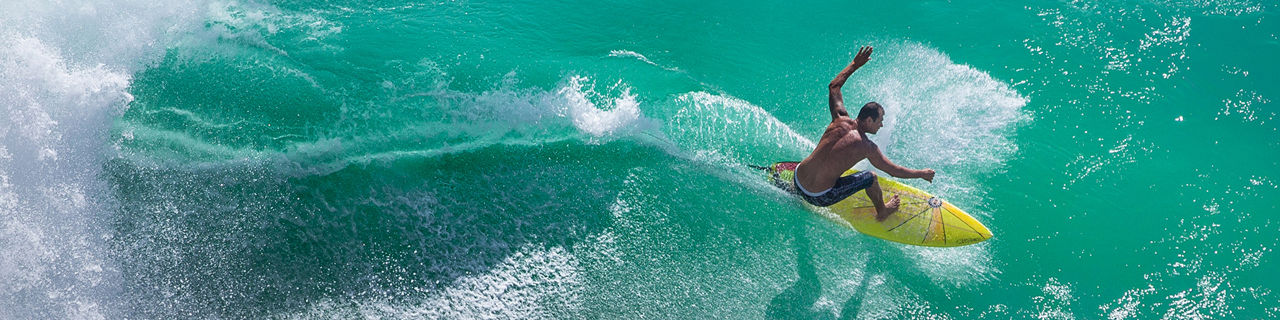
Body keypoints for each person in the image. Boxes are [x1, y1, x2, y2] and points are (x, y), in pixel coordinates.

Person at [794, 46, 935, 221]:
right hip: (817, 197)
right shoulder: (867, 147)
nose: (882, 125)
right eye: (880, 120)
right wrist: (921, 173)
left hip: (797, 180)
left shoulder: (839, 119)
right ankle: (882, 211)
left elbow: (834, 87)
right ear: (868, 120)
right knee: (871, 177)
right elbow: (893, 170)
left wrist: (855, 64)